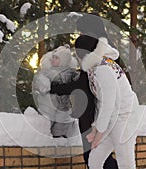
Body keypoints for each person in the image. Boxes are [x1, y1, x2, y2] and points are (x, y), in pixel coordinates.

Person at [50, 14, 118, 168]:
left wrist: (54, 88)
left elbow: (82, 83)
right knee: (100, 155)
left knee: (94, 156)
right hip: (107, 112)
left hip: (92, 112)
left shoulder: (89, 46)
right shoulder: (108, 49)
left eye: (82, 31)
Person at [76, 35, 140, 169]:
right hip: (111, 118)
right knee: (94, 160)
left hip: (124, 117)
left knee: (126, 162)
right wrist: (96, 128)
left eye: (78, 53)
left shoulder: (103, 69)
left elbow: (108, 104)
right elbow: (102, 101)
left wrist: (99, 131)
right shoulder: (95, 66)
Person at [32, 44, 79, 138]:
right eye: (53, 57)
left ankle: (60, 140)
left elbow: (77, 83)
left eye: (56, 58)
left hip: (64, 107)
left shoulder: (71, 73)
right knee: (46, 126)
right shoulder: (47, 71)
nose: (53, 59)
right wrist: (45, 85)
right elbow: (40, 81)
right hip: (48, 105)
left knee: (61, 127)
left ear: (64, 61)